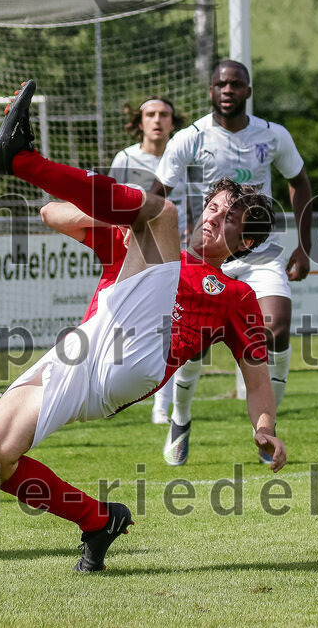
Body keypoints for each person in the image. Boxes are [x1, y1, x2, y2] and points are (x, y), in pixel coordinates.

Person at [0, 80, 285, 572]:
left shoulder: (235, 295)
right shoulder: (140, 242)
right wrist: (111, 217)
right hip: (83, 351)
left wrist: (265, 429)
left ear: (244, 245)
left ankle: (22, 160)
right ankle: (98, 520)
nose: (213, 221)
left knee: (160, 213)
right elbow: (52, 213)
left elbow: (258, 382)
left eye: (229, 221)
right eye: (214, 209)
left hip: (136, 363)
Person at [152, 59, 313, 466]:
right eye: (221, 84)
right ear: (211, 91)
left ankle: (266, 431)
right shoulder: (190, 138)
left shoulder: (273, 135)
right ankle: (180, 417)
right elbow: (157, 194)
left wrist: (304, 246)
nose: (228, 90)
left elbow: (299, 181)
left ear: (248, 91)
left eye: (236, 84)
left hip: (260, 252)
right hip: (208, 257)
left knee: (276, 328)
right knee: (193, 345)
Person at [108, 97, 186, 425]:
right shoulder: (125, 159)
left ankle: (161, 406)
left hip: (177, 254)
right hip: (133, 254)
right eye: (150, 114)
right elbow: (109, 204)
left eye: (164, 114)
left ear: (173, 121)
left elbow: (198, 203)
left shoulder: (183, 155)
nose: (157, 120)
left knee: (170, 328)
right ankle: (110, 389)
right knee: (120, 322)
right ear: (139, 122)